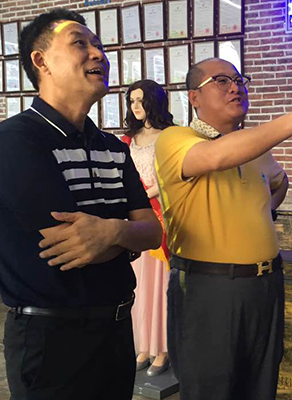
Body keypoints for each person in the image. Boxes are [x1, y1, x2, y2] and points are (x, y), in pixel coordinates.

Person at [0, 9, 161, 400]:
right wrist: (128, 237)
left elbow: (152, 232)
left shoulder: (112, 147)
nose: (98, 54)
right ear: (41, 61)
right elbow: (76, 245)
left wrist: (113, 231)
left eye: (99, 45)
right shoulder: (15, 140)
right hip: (51, 340)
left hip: (116, 330)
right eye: (80, 43)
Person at [154, 57, 292, 400]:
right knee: (211, 387)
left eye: (240, 80)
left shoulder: (254, 148)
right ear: (194, 97)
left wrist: (259, 212)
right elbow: (215, 157)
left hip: (265, 285)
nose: (235, 87)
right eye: (222, 81)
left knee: (260, 383)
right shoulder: (175, 138)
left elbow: (280, 181)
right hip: (208, 288)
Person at [122, 79, 174, 377]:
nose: (136, 106)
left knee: (161, 285)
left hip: (162, 214)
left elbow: (175, 175)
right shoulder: (128, 139)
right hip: (136, 217)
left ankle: (163, 349)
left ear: (154, 101)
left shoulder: (171, 136)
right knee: (139, 284)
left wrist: (147, 194)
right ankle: (143, 345)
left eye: (141, 100)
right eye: (132, 101)